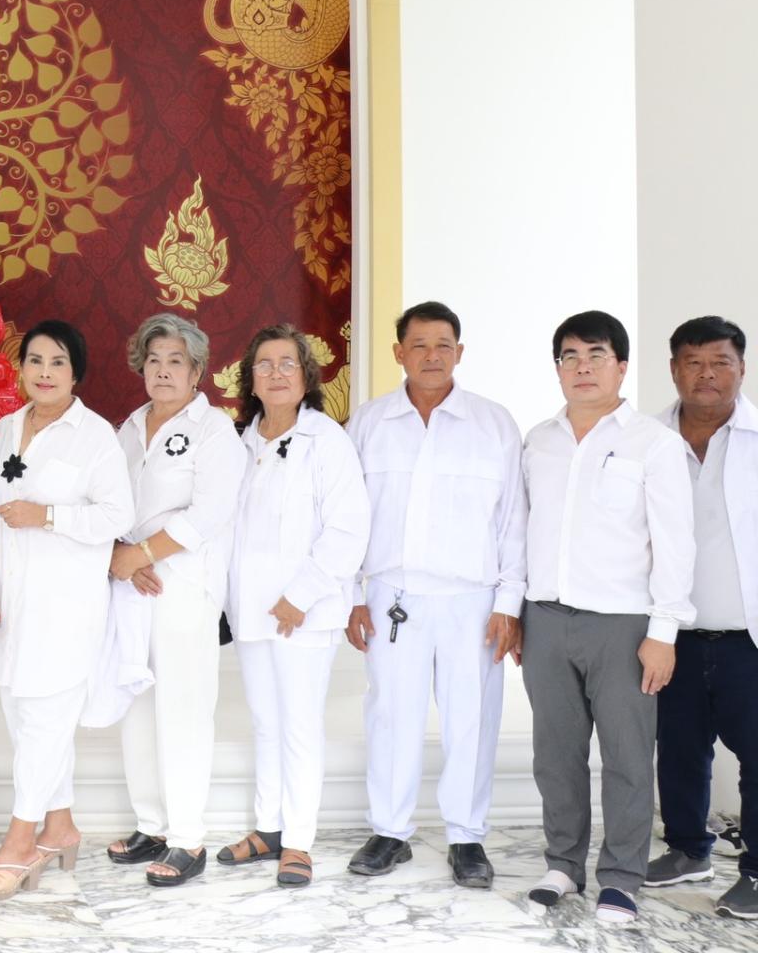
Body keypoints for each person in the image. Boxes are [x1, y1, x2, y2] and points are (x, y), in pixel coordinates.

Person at [343, 302, 525, 889]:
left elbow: (513, 521)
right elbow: (346, 516)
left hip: (474, 599)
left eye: (443, 345)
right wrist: (351, 594)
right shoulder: (370, 423)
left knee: (472, 719)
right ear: (399, 352)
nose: (432, 356)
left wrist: (509, 604)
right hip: (391, 595)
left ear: (460, 353)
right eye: (419, 345)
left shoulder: (493, 424)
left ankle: (466, 837)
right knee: (391, 715)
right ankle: (389, 832)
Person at [521, 310, 693, 925]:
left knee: (626, 756)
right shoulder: (539, 441)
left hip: (623, 625)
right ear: (558, 368)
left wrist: (663, 633)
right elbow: (520, 528)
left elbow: (675, 544)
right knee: (555, 754)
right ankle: (563, 864)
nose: (583, 367)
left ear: (621, 366)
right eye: (570, 356)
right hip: (545, 619)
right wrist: (514, 610)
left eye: (596, 354)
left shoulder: (653, 443)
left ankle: (621, 878)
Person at [0, 320, 134, 899]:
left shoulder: (95, 437)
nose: (44, 372)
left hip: (63, 607)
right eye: (35, 361)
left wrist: (47, 516)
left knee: (44, 721)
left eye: (58, 362)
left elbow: (116, 516)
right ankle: (59, 825)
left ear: (75, 373)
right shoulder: (5, 428)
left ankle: (20, 842)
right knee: (23, 716)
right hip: (11, 603)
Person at [218, 325, 370, 890]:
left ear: (306, 376)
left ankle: (299, 841)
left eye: (288, 364)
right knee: (265, 722)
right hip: (252, 609)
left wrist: (299, 597)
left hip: (304, 612)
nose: (276, 373)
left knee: (300, 726)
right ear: (250, 380)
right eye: (265, 365)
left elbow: (348, 529)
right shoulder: (241, 441)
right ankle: (269, 828)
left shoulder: (326, 440)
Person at [104, 313, 247, 888]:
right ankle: (152, 825)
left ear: (196, 371)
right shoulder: (128, 428)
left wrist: (142, 554)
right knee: (136, 701)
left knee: (183, 708)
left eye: (176, 361)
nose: (163, 371)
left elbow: (210, 511)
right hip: (130, 583)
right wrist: (122, 553)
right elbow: (109, 502)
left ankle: (188, 837)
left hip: (183, 584)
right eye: (154, 360)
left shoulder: (213, 429)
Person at [649, 316, 758, 919]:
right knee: (679, 750)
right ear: (674, 369)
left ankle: (757, 872)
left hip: (748, 637)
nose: (707, 374)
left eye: (721, 362)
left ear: (742, 368)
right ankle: (689, 850)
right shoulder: (647, 439)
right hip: (673, 635)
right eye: (694, 362)